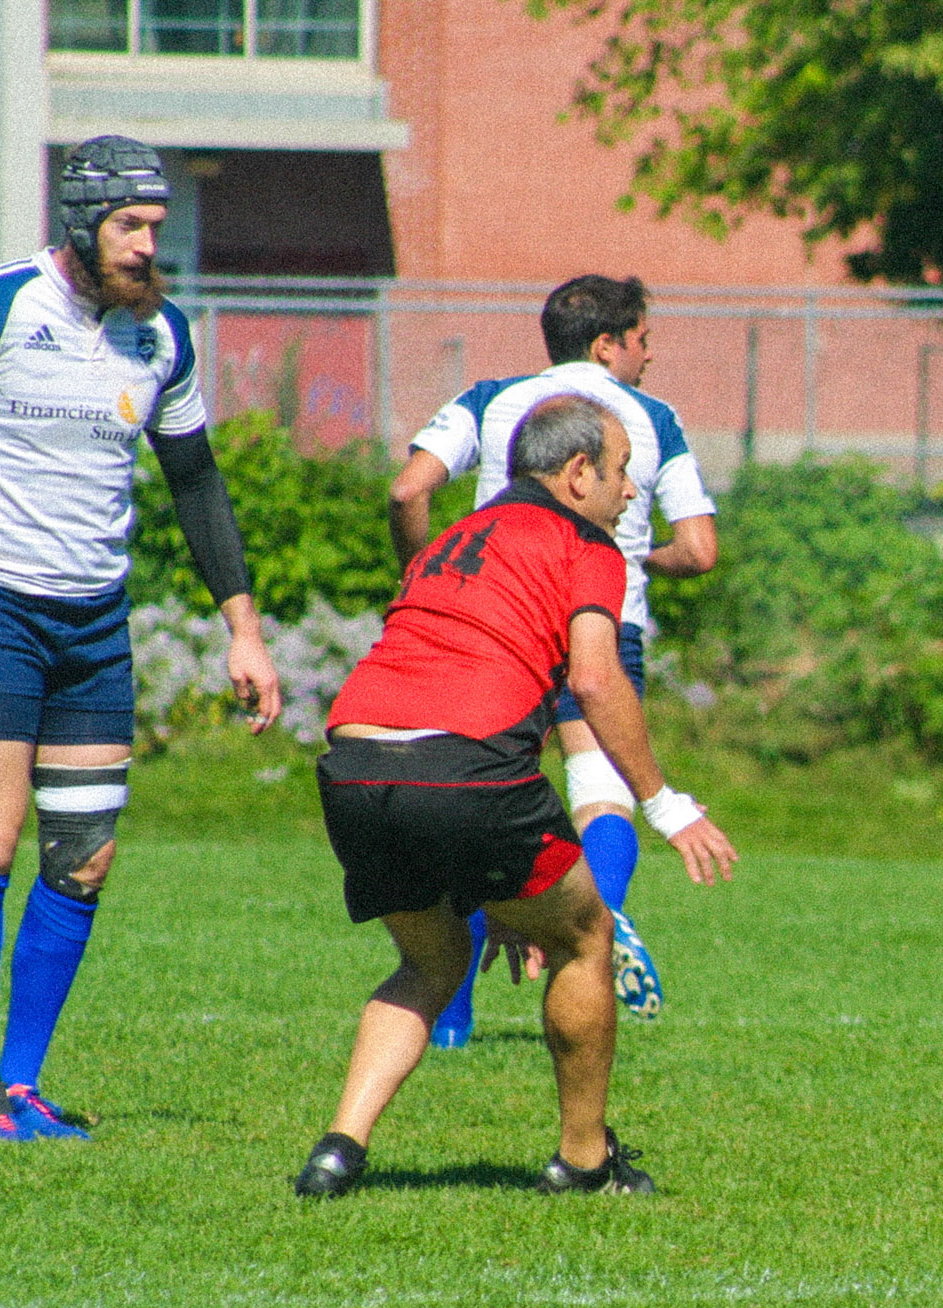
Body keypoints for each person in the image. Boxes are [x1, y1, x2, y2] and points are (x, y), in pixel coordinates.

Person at [0, 136, 282, 1142]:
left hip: (92, 624)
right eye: (132, 226)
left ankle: (24, 1085)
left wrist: (241, 630)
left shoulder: (160, 336)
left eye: (155, 226)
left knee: (83, 856)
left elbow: (197, 482)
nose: (149, 244)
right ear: (80, 223)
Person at [295, 396, 736, 1198]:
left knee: (429, 961)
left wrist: (495, 883)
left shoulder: (456, 536)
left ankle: (337, 1149)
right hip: (468, 770)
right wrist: (667, 803)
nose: (630, 493)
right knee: (586, 933)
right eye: (622, 472)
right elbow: (596, 679)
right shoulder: (584, 543)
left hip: (353, 764)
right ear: (577, 475)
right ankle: (584, 1160)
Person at [389, 275, 717, 1031]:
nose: (650, 356)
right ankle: (598, 921)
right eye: (643, 340)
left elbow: (409, 490)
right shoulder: (652, 419)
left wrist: (427, 572)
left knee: (477, 803)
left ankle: (450, 1018)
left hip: (500, 627)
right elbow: (700, 548)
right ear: (608, 345)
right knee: (602, 792)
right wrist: (641, 561)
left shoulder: (491, 397)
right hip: (603, 620)